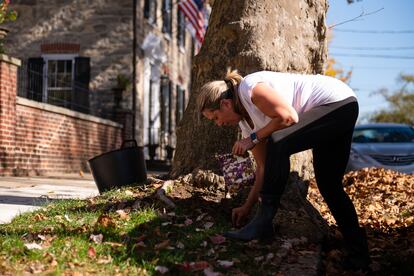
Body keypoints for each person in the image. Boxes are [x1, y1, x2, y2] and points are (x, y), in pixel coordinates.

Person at [196, 69, 371, 270]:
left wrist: (253, 139)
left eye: (216, 117)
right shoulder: (247, 124)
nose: (218, 124)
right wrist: (247, 206)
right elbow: (264, 167)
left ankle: (264, 224)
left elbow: (288, 117)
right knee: (329, 185)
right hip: (337, 111)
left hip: (338, 103)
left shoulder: (250, 88)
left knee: (278, 141)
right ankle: (359, 256)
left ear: (225, 104)